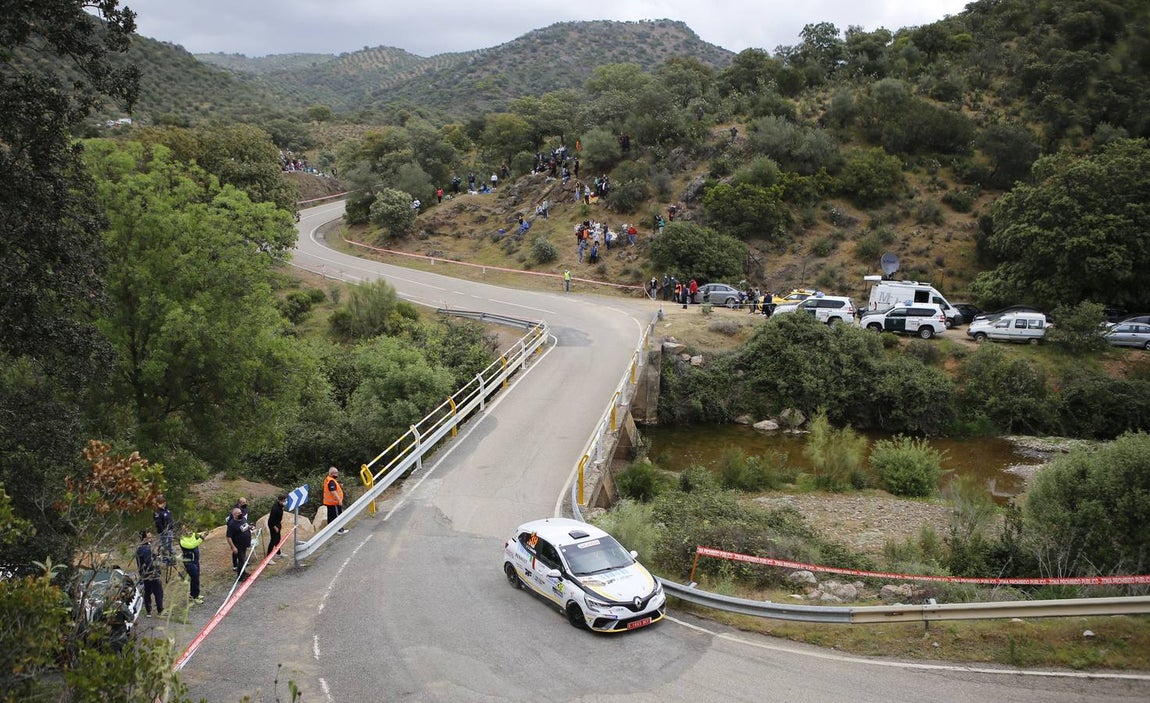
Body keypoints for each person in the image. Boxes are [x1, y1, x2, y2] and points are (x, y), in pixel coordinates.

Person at [136, 531, 164, 617]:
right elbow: (149, 562)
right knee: (158, 592)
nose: (151, 539)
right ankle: (160, 610)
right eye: (149, 537)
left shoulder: (139, 549)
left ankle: (148, 611)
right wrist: (158, 558)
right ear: (144, 538)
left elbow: (139, 563)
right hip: (152, 574)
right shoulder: (147, 549)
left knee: (147, 592)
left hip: (144, 574)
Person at [226, 507, 253, 579]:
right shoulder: (232, 524)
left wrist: (250, 527)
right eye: (238, 513)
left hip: (245, 544)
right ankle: (240, 576)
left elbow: (246, 526)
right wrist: (233, 547)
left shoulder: (243, 519)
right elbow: (228, 537)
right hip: (238, 545)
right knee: (241, 560)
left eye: (240, 513)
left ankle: (243, 572)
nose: (240, 514)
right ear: (234, 515)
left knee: (243, 558)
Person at [180, 530, 205, 604]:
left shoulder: (193, 535)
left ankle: (193, 594)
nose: (189, 532)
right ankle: (195, 597)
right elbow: (192, 545)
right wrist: (201, 539)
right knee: (195, 577)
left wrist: (203, 534)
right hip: (189, 562)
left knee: (196, 577)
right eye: (186, 530)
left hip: (195, 561)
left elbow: (198, 535)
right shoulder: (183, 541)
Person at [324, 466, 348, 534]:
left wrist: (339, 486)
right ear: (332, 473)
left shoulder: (329, 479)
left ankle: (330, 530)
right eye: (336, 473)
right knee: (337, 516)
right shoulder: (331, 481)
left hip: (330, 502)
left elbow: (333, 488)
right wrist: (339, 500)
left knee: (331, 517)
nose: (337, 474)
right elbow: (332, 491)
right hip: (334, 502)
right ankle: (340, 530)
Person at [153, 495, 174, 568]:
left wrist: (171, 526)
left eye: (164, 503)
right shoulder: (157, 512)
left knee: (170, 545)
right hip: (163, 532)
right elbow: (158, 523)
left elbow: (169, 519)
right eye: (162, 503)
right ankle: (166, 560)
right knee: (165, 546)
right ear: (158, 504)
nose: (164, 504)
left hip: (170, 530)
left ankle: (172, 559)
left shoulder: (166, 510)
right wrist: (163, 530)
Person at [267, 494, 286, 561]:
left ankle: (278, 553)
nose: (284, 502)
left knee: (278, 539)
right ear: (279, 500)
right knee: (273, 540)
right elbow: (271, 520)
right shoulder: (275, 508)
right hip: (273, 525)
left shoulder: (280, 506)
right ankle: (268, 558)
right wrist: (275, 527)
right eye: (283, 501)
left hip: (278, 523)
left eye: (285, 500)